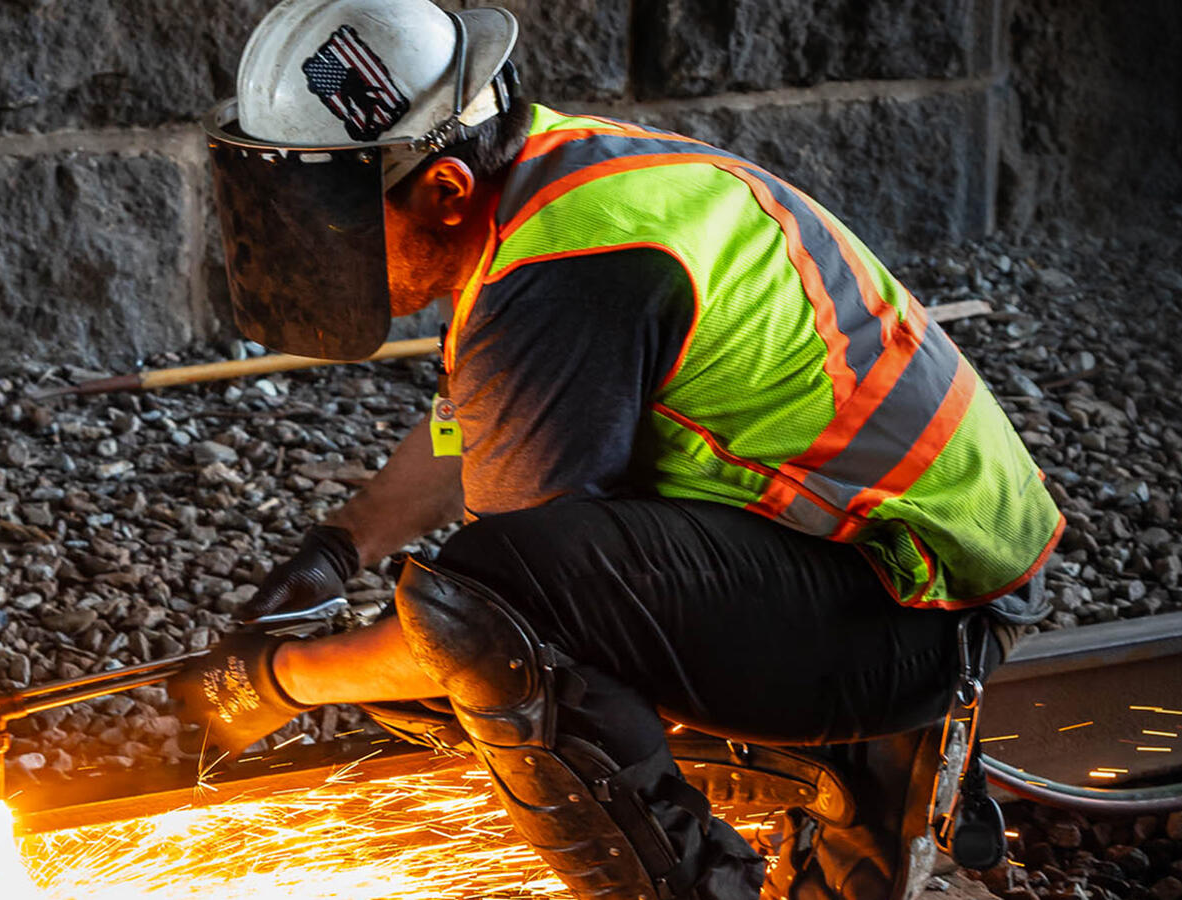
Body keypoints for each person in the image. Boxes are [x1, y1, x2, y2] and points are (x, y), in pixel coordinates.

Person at [163, 3, 1064, 900]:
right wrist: (336, 551)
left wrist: (282, 680)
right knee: (458, 645)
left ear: (443, 191)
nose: (318, 249)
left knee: (483, 630)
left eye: (333, 221)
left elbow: (503, 609)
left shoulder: (562, 280)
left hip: (913, 612)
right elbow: (472, 425)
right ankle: (860, 773)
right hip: (907, 562)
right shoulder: (558, 180)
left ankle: (709, 882)